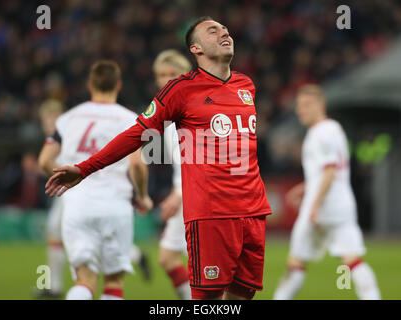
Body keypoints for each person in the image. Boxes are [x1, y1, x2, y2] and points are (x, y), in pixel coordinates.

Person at [45, 17, 272, 300]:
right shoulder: (181, 90)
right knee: (208, 299)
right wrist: (84, 168)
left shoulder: (246, 85)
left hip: (253, 210)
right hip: (211, 214)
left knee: (242, 295)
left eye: (225, 30)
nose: (224, 33)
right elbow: (138, 133)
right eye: (213, 31)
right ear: (196, 49)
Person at [39, 60, 153, 300]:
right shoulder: (131, 119)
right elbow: (136, 164)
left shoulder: (68, 118)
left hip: (77, 205)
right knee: (113, 283)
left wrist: (64, 178)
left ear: (90, 84)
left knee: (84, 280)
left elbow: (44, 160)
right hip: (115, 204)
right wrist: (143, 196)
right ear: (118, 85)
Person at [273, 84, 381, 300]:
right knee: (353, 259)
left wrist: (313, 204)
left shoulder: (321, 133)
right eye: (299, 106)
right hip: (341, 206)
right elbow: (329, 171)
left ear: (320, 105)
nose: (300, 110)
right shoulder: (333, 129)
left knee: (295, 263)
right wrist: (305, 188)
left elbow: (330, 171)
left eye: (306, 105)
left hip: (323, 207)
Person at [152, 49, 192, 299]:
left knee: (208, 267)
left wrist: (178, 195)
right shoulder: (169, 116)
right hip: (185, 195)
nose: (166, 79)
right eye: (161, 74)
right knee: (167, 258)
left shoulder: (191, 112)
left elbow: (197, 165)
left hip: (200, 197)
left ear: (185, 76)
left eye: (172, 74)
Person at [34, 99, 66, 298]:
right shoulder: (63, 133)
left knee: (60, 236)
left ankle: (55, 286)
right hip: (66, 193)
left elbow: (53, 165)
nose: (44, 123)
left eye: (46, 119)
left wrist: (39, 166)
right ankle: (54, 286)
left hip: (70, 192)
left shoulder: (61, 135)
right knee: (55, 236)